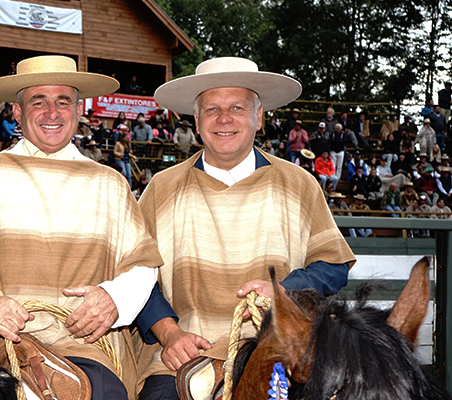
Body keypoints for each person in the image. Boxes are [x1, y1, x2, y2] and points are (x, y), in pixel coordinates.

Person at [0, 55, 162, 400]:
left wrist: (113, 298)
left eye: (63, 101)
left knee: (105, 394)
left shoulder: (110, 182)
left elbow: (142, 265)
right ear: (17, 113)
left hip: (82, 340)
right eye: (39, 101)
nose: (53, 112)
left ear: (78, 110)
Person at [135, 57, 355, 399]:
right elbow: (134, 275)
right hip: (185, 355)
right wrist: (169, 334)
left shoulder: (298, 183)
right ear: (197, 119)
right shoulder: (161, 188)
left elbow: (333, 265)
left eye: (237, 107)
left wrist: (284, 290)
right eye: (212, 109)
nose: (224, 119)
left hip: (280, 349)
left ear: (259, 116)